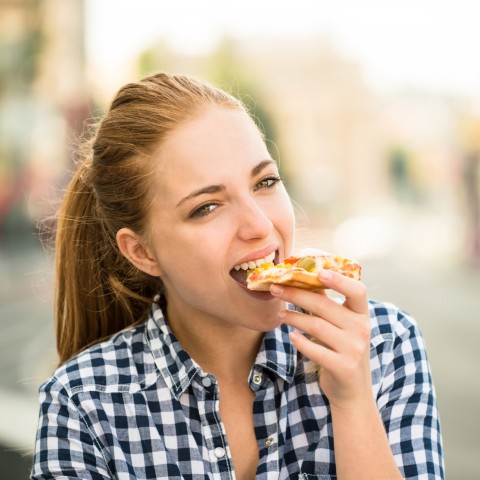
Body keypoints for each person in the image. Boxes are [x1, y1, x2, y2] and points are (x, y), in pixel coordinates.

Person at [31, 72, 444, 479]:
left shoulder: (385, 345)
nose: (259, 225)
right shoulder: (82, 402)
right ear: (142, 252)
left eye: (265, 182)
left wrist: (353, 402)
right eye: (207, 207)